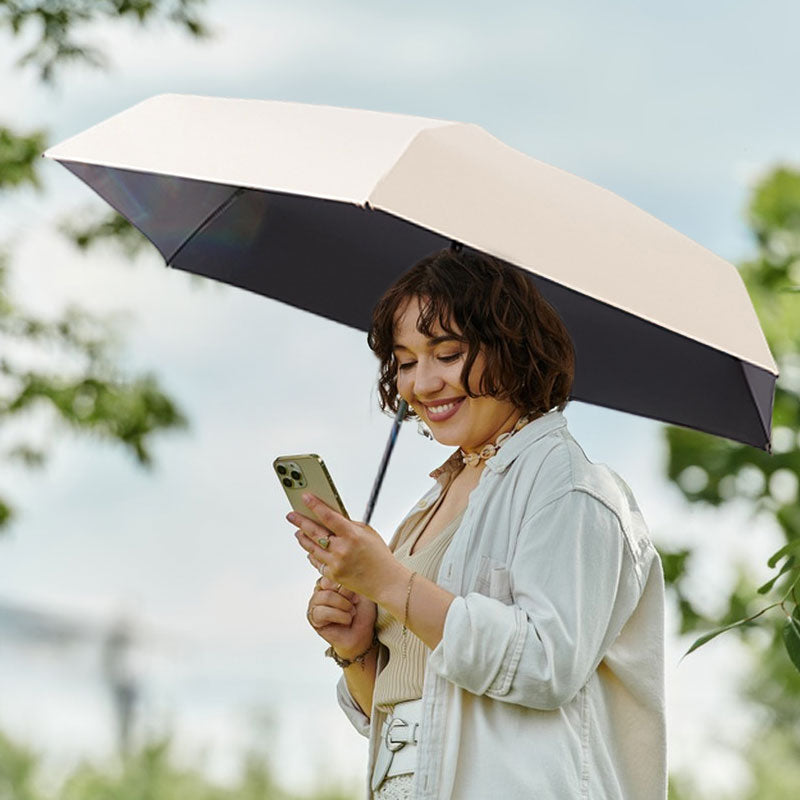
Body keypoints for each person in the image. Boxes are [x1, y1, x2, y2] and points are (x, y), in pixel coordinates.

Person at [289, 248, 666, 800]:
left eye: (447, 354)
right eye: (407, 361)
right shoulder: (429, 505)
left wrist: (391, 582)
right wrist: (358, 649)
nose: (422, 383)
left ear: (512, 348)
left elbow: (543, 664)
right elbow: (407, 711)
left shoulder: (568, 486)